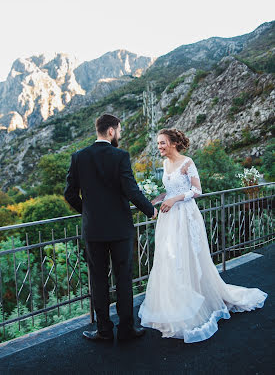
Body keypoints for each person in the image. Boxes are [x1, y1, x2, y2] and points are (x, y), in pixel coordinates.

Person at [138, 128, 267, 343]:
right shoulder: (165, 164)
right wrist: (157, 199)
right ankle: (176, 302)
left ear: (172, 143)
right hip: (169, 218)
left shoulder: (187, 162)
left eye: (162, 143)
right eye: (158, 143)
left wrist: (175, 199)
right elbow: (169, 191)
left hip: (186, 216)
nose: (159, 147)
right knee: (170, 258)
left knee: (187, 257)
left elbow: (198, 191)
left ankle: (197, 301)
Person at [64, 114, 157, 342]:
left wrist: (88, 212)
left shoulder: (79, 157)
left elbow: (69, 193)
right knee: (124, 278)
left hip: (94, 230)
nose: (120, 133)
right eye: (120, 129)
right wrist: (151, 211)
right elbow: (132, 190)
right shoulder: (120, 156)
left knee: (98, 280)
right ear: (112, 131)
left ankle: (104, 331)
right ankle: (127, 329)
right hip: (119, 229)